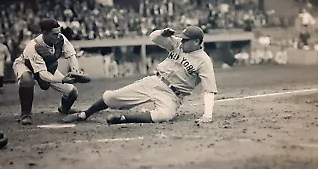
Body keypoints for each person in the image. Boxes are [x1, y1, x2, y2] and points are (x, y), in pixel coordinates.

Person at [62, 26, 218, 125]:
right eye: (182, 38)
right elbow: (153, 38)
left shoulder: (204, 61)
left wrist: (207, 115)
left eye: (186, 40)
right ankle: (84, 114)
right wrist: (162, 32)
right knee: (111, 97)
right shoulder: (177, 44)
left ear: (197, 42)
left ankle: (123, 119)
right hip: (154, 81)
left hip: (173, 95)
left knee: (164, 115)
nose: (182, 41)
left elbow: (209, 89)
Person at [12, 18, 86, 125]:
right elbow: (43, 75)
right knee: (27, 80)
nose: (57, 36)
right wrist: (63, 79)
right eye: (54, 34)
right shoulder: (34, 47)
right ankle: (26, 114)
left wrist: (76, 71)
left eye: (58, 33)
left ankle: (64, 109)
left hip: (45, 67)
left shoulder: (60, 38)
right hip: (26, 65)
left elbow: (71, 56)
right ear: (44, 33)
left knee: (72, 93)